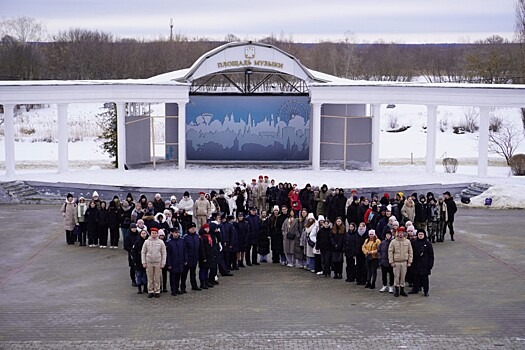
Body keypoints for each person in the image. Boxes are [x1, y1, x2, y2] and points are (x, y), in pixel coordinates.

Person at [141, 227, 167, 298]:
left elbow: (164, 253)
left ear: (157, 234)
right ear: (150, 233)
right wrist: (144, 262)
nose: (154, 234)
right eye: (153, 233)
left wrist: (163, 263)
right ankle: (150, 291)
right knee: (150, 277)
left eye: (155, 233)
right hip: (149, 262)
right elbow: (143, 252)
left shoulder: (161, 242)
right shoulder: (146, 242)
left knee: (157, 277)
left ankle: (157, 291)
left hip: (158, 262)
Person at [388, 226, 413, 297]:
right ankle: (396, 289)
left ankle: (402, 289)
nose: (401, 234)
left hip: (404, 262)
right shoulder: (393, 242)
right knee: (396, 276)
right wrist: (391, 261)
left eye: (402, 233)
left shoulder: (407, 242)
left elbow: (410, 252)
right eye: (399, 233)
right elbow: (390, 252)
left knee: (403, 277)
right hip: (396, 262)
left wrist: (409, 261)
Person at [409, 229, 434, 296]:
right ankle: (415, 289)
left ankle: (426, 291)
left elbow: (431, 255)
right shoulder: (414, 243)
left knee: (425, 278)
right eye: (419, 234)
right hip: (416, 263)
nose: (420, 236)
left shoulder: (428, 244)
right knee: (415, 277)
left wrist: (430, 264)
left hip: (425, 264)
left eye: (422, 234)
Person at [166, 227, 187, 296]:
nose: (176, 234)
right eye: (175, 232)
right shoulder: (169, 242)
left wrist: (185, 260)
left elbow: (184, 251)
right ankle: (173, 290)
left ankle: (177, 288)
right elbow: (168, 254)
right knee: (173, 277)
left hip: (180, 262)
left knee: (178, 276)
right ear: (172, 233)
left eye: (177, 232)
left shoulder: (182, 241)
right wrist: (168, 264)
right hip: (173, 262)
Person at [183, 222, 201, 291]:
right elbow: (184, 249)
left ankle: (194, 285)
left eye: (194, 228)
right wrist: (185, 259)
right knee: (184, 274)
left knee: (193, 273)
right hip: (188, 258)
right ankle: (183, 287)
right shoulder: (185, 237)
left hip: (194, 257)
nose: (193, 229)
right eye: (191, 228)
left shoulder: (197, 236)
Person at [198, 223, 215, 290]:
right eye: (206, 228)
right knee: (203, 270)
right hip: (204, 256)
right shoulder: (202, 237)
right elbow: (202, 248)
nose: (208, 229)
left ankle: (206, 281)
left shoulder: (208, 236)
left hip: (209, 255)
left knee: (207, 269)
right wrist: (204, 257)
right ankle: (202, 283)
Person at [132, 229, 148, 294]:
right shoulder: (137, 242)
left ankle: (145, 287)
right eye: (142, 233)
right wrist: (135, 261)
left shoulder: (147, 241)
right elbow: (134, 252)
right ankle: (139, 288)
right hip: (138, 260)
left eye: (145, 233)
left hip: (146, 260)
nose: (144, 234)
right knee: (139, 275)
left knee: (145, 275)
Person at [124, 223, 139, 287]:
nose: (134, 229)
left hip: (138, 253)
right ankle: (133, 280)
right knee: (132, 267)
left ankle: (139, 280)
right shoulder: (128, 236)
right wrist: (131, 249)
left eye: (135, 228)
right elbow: (126, 246)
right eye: (133, 228)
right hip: (131, 254)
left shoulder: (138, 234)